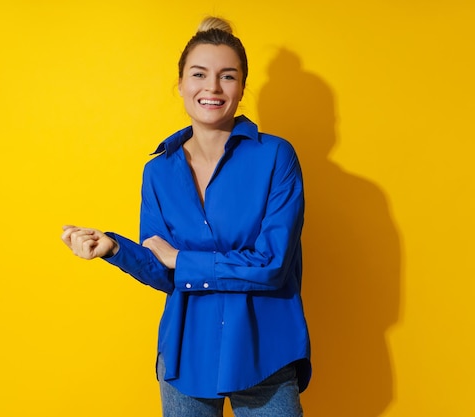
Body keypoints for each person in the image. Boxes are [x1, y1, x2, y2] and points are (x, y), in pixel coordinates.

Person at [61, 16, 311, 417]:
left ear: (242, 87)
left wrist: (182, 258)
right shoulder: (158, 171)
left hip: (264, 350)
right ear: (180, 84)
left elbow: (272, 265)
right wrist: (112, 248)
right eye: (199, 74)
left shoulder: (276, 158)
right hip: (184, 352)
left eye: (227, 76)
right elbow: (163, 273)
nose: (212, 88)